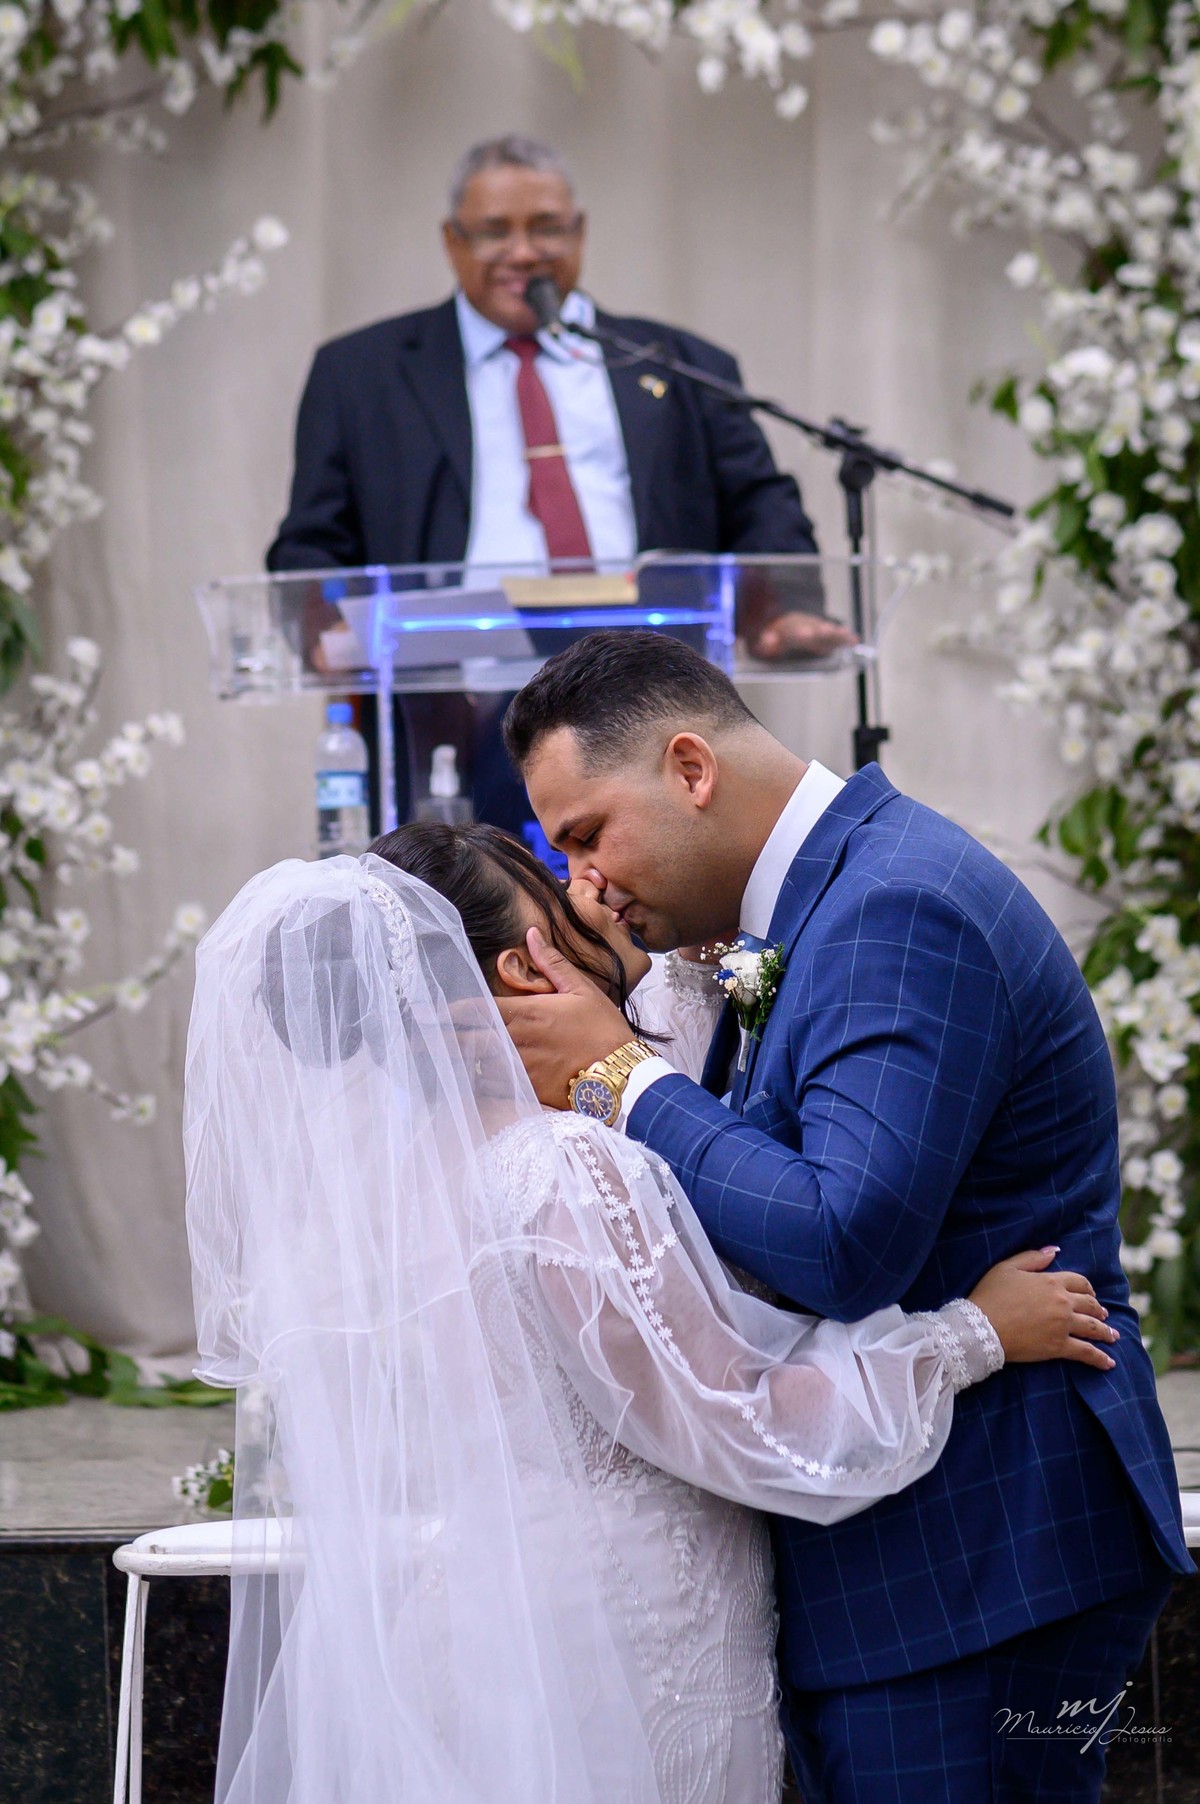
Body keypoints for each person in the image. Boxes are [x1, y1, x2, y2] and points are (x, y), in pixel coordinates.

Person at [184, 839, 1114, 1804]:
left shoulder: (403, 1178)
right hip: (627, 1642)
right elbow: (735, 1413)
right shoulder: (562, 1171)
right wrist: (972, 1335)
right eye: (556, 888)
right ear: (525, 966)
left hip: (490, 1618)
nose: (588, 890)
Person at [493, 629, 1192, 1804]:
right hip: (908, 1557)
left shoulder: (892, 907)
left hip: (974, 1560)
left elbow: (841, 1243)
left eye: (588, 832)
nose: (585, 881)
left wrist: (623, 1077)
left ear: (690, 767)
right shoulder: (811, 906)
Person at [266, 133, 851, 834]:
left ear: (580, 233)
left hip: (651, 707)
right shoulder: (361, 374)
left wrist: (783, 606)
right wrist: (321, 629)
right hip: (450, 714)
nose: (523, 252)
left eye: (546, 227)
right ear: (452, 242)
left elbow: (761, 502)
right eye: (495, 232)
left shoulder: (676, 364)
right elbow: (310, 543)